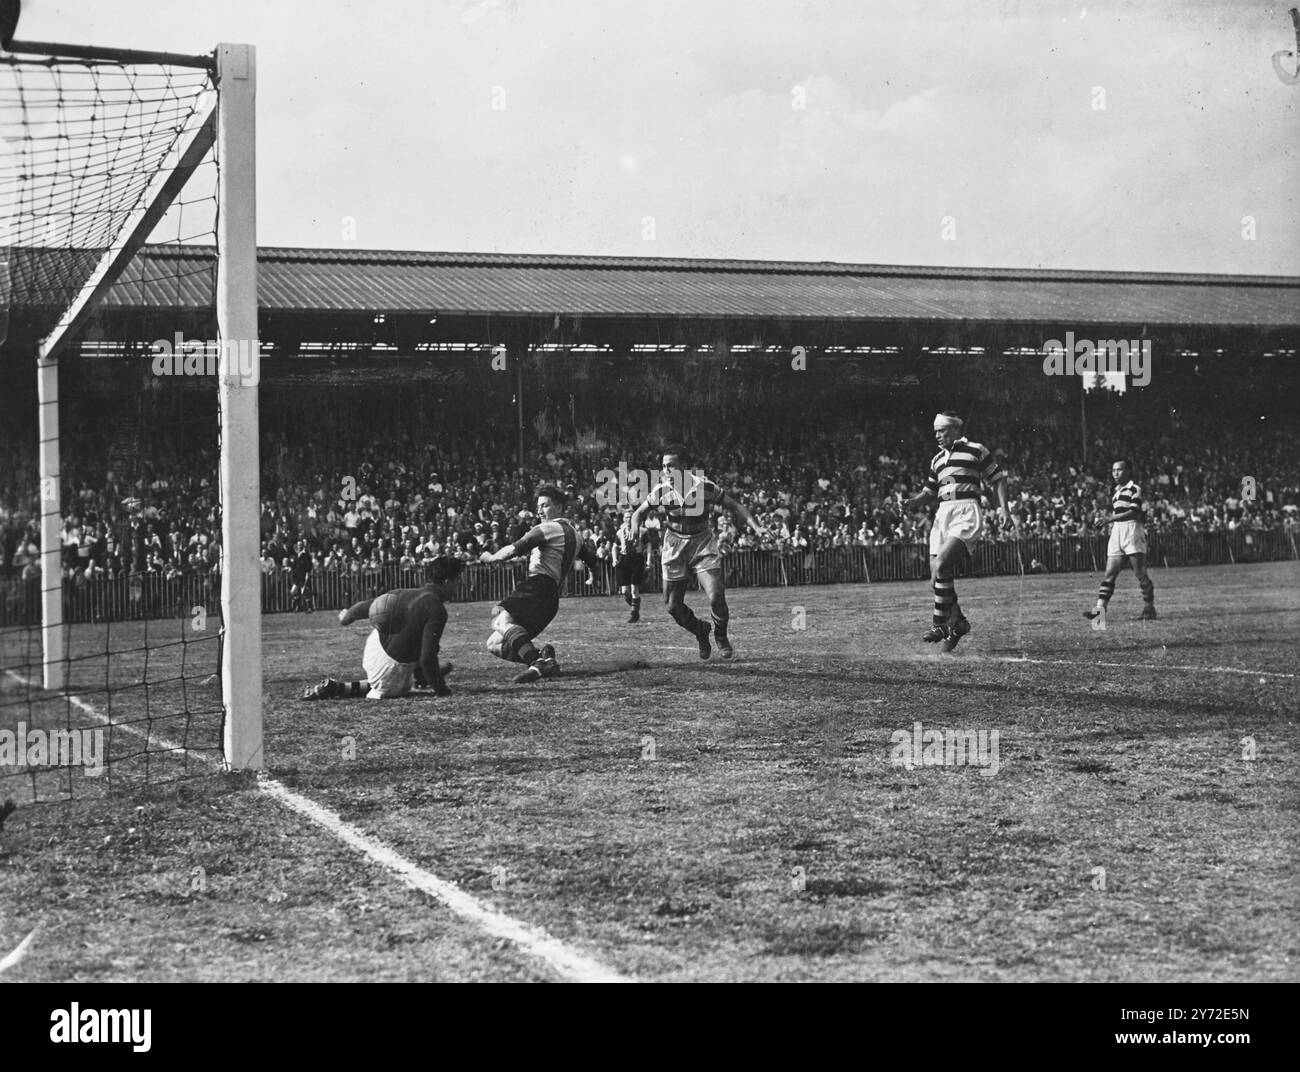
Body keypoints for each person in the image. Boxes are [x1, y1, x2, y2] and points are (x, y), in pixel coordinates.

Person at [628, 446, 768, 660]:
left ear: (684, 467)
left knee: (716, 595)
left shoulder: (704, 487)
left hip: (702, 543)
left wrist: (757, 528)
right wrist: (634, 528)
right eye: (664, 466)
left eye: (671, 465)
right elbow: (638, 513)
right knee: (673, 606)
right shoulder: (661, 491)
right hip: (674, 546)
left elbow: (736, 506)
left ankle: (721, 636)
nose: (666, 470)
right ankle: (701, 631)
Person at [906, 411, 1018, 652]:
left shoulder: (975, 450)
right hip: (942, 514)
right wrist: (912, 502)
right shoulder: (936, 460)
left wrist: (1004, 510)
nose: (937, 435)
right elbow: (929, 493)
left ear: (955, 429)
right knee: (936, 577)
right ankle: (958, 623)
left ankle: (940, 625)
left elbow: (998, 479)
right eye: (935, 431)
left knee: (941, 565)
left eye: (942, 430)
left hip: (966, 511)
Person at [479, 486, 599, 683]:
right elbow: (592, 560)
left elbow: (515, 549)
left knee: (500, 622)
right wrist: (592, 578)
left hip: (537, 587)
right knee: (494, 644)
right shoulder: (576, 536)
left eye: (545, 505)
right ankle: (544, 660)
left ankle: (537, 662)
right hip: (550, 599)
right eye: (538, 507)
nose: (540, 511)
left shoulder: (547, 529)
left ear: (559, 506)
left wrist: (491, 558)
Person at [300, 555, 463, 700]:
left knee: (409, 633)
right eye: (457, 580)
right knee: (402, 680)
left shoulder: (403, 592)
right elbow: (428, 658)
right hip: (391, 667)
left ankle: (339, 687)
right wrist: (442, 690)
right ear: (447, 582)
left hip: (373, 650)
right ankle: (420, 676)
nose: (458, 585)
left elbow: (365, 607)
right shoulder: (436, 609)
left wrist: (346, 617)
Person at [1084, 459, 1157, 623]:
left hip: (1132, 531)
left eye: (1119, 470)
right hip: (1117, 531)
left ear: (1128, 471)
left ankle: (1149, 607)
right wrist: (1110, 521)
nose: (1115, 473)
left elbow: (1133, 511)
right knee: (1109, 574)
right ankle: (1100, 613)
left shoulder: (1134, 488)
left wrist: (1109, 519)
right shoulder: (1116, 491)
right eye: (1113, 470)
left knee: (1140, 573)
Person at [612, 508, 648, 623]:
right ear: (623, 519)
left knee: (634, 589)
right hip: (624, 559)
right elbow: (614, 547)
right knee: (625, 591)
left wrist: (649, 560)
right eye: (626, 517)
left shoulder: (642, 531)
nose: (628, 519)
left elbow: (649, 546)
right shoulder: (619, 532)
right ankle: (635, 603)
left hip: (636, 559)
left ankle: (634, 614)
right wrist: (614, 559)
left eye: (630, 517)